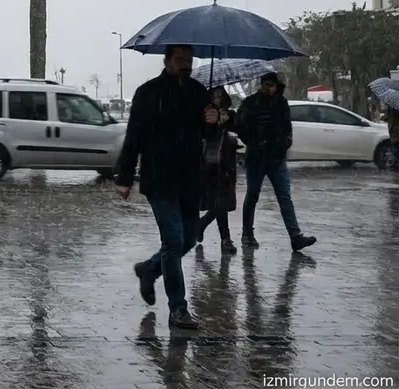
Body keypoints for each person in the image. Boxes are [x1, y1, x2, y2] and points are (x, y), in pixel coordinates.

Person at [116, 44, 218, 330]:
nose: (186, 64)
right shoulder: (148, 93)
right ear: (168, 60)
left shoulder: (200, 93)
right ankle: (178, 308)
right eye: (180, 59)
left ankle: (149, 269)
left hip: (189, 178)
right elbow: (133, 136)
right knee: (173, 241)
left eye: (189, 60)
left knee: (188, 239)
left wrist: (214, 121)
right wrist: (124, 177)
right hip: (159, 178)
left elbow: (210, 136)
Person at [235, 72, 317, 252]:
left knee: (284, 196)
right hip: (256, 157)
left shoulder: (281, 103)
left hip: (276, 158)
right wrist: (252, 139)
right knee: (252, 195)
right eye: (264, 84)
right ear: (260, 84)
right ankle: (247, 233)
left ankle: (295, 237)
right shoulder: (250, 103)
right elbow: (239, 126)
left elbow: (287, 127)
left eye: (271, 85)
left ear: (276, 86)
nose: (267, 88)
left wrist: (284, 143)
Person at [197, 86, 240, 255]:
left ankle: (203, 224)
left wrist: (228, 121)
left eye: (220, 96)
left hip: (226, 164)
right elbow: (202, 136)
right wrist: (211, 123)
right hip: (210, 164)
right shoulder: (204, 114)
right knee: (219, 201)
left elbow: (239, 131)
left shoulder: (229, 114)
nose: (217, 99)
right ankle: (225, 240)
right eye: (214, 96)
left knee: (223, 201)